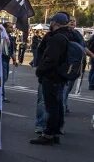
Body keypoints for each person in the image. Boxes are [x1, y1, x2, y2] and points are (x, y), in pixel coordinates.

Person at [30, 12, 80, 145]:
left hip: (52, 76)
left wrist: (40, 71)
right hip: (62, 76)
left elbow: (51, 59)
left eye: (52, 22)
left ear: (55, 23)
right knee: (57, 105)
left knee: (51, 106)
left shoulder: (57, 37)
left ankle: (48, 134)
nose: (50, 24)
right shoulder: (69, 35)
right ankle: (55, 132)